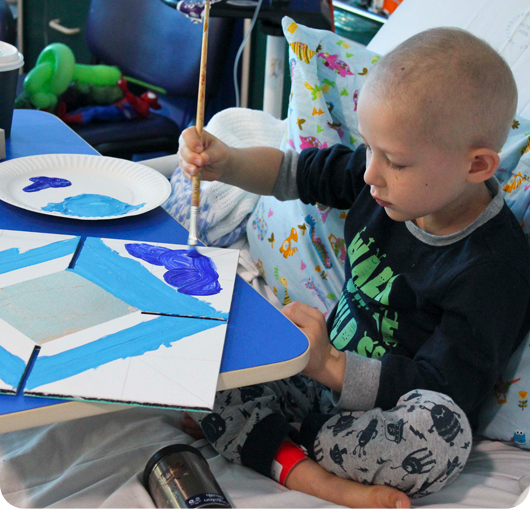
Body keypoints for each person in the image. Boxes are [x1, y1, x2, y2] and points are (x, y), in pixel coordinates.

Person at [178, 27, 530, 508]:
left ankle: (279, 449)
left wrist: (332, 366)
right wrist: (227, 162)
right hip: (312, 373)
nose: (369, 174)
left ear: (477, 166)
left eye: (396, 162)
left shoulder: (493, 269)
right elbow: (294, 173)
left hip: (386, 415)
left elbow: (447, 390)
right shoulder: (379, 183)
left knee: (441, 437)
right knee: (215, 346)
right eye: (369, 149)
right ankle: (294, 455)